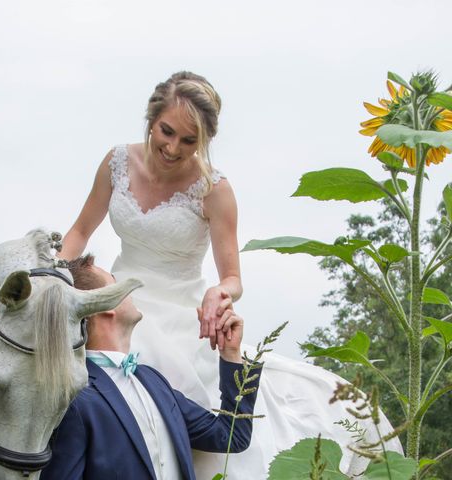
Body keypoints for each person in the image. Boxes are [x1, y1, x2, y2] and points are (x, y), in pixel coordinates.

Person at [59, 71, 402, 478]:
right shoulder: (117, 162)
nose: (172, 148)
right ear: (151, 119)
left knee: (180, 402)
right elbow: (80, 231)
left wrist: (220, 293)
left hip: (181, 311)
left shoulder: (214, 189)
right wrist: (57, 279)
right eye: (166, 132)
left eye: (189, 141)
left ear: (205, 140)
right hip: (120, 298)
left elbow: (233, 277)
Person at [40, 255, 261, 480]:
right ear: (105, 305)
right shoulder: (74, 400)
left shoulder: (153, 380)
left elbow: (231, 436)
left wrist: (231, 354)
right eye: (116, 283)